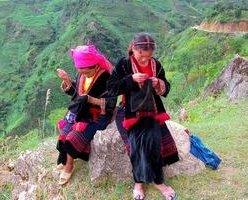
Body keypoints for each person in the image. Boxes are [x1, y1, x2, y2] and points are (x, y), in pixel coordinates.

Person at [107, 33, 179, 200]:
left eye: (149, 56)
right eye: (141, 55)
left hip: (152, 111)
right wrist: (130, 79)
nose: (145, 60)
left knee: (153, 141)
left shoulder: (156, 65)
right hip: (129, 112)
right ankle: (138, 182)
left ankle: (159, 181)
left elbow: (166, 87)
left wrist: (158, 83)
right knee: (135, 143)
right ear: (133, 48)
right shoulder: (124, 65)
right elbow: (111, 88)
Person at [56, 45, 117, 185]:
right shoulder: (82, 74)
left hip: (96, 116)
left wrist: (90, 99)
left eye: (85, 70)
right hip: (80, 112)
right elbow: (78, 94)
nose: (82, 73)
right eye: (79, 70)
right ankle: (64, 157)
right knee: (65, 132)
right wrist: (67, 82)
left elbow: (111, 103)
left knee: (73, 136)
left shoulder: (107, 77)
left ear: (95, 66)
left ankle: (69, 166)